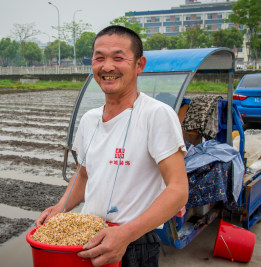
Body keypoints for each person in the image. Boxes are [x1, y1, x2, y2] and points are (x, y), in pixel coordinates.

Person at [35, 25, 188, 267]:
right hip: (89, 239)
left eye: (118, 58)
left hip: (134, 245)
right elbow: (84, 176)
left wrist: (125, 235)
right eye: (99, 58)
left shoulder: (156, 115)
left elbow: (178, 190)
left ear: (139, 65)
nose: (107, 67)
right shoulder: (89, 120)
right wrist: (60, 208)